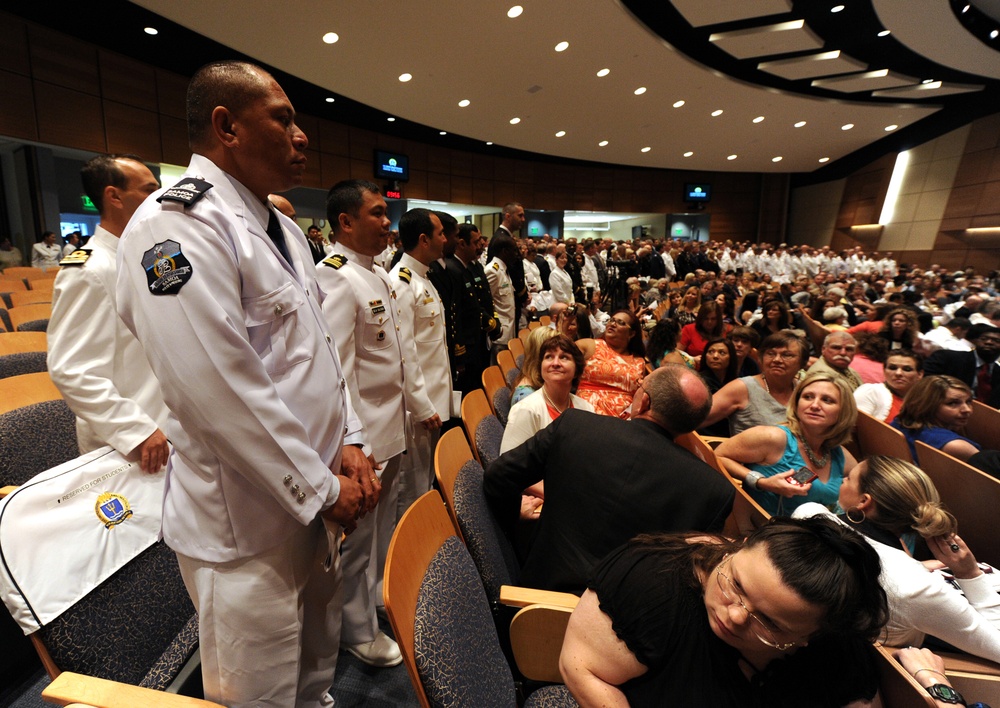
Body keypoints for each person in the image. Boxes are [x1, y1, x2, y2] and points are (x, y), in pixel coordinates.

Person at [115, 60, 369, 707]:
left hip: (313, 493)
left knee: (315, 672)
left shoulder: (281, 227)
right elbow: (215, 386)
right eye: (283, 119)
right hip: (247, 522)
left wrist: (352, 439)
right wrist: (317, 488)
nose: (301, 135)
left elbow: (320, 351)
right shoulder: (173, 226)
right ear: (226, 126)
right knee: (256, 694)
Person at [559, 517, 888, 707]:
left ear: (810, 637)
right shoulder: (654, 585)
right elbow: (583, 669)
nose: (736, 616)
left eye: (769, 621)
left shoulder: (833, 645)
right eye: (737, 586)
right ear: (740, 546)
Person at [317, 180, 441, 668]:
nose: (388, 222)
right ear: (346, 222)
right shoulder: (336, 277)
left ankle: (370, 603)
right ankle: (355, 630)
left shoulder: (379, 275)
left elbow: (402, 355)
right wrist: (353, 440)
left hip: (390, 429)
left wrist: (416, 407)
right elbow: (336, 369)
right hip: (363, 433)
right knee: (360, 540)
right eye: (376, 214)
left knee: (382, 530)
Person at [484, 364, 735, 594]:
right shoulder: (714, 491)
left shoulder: (575, 425)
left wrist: (516, 529)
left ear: (643, 402)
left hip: (536, 598)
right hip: (629, 628)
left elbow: (498, 478)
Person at [794, 456, 1000, 663]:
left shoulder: (809, 514)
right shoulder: (915, 587)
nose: (843, 480)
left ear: (864, 501)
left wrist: (916, 566)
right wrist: (970, 573)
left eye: (849, 478)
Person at [48, 154, 169, 472]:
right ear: (114, 196)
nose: (159, 198)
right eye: (148, 190)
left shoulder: (149, 256)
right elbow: (73, 370)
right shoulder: (89, 269)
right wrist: (136, 431)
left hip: (169, 425)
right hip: (133, 442)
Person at [715, 372, 858, 516]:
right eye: (807, 397)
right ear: (796, 403)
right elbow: (717, 456)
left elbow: (867, 486)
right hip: (760, 530)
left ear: (843, 412)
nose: (814, 405)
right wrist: (761, 481)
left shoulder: (839, 454)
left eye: (827, 400)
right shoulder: (773, 437)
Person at [388, 207, 453, 521]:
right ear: (424, 239)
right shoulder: (402, 283)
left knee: (425, 484)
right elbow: (405, 351)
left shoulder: (423, 277)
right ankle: (405, 559)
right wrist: (422, 405)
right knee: (411, 490)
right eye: (440, 233)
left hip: (433, 403)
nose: (445, 239)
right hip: (418, 409)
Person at [501, 334, 594, 456]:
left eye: (564, 357)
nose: (555, 363)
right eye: (549, 357)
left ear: (577, 369)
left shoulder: (585, 408)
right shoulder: (525, 410)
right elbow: (508, 466)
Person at [702, 330, 807, 437]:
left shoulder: (806, 391)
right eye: (770, 354)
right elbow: (692, 421)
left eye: (787, 355)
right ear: (760, 359)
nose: (777, 360)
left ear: (803, 363)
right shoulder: (742, 388)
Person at [891, 375, 981, 462]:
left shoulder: (899, 422)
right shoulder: (956, 446)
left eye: (968, 402)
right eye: (952, 403)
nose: (967, 410)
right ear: (927, 405)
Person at [574, 308, 646, 417]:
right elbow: (560, 354)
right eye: (611, 320)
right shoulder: (589, 345)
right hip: (588, 413)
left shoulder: (639, 361)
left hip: (624, 420)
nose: (613, 324)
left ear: (631, 334)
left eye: (620, 323)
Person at [924, 324, 1000, 408]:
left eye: (996, 340)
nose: (988, 342)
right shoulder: (947, 357)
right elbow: (927, 382)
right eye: (984, 339)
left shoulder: (997, 371)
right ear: (975, 341)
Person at [853, 350, 923, 423]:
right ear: (884, 370)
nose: (898, 373)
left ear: (920, 374)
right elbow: (857, 428)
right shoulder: (871, 391)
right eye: (892, 368)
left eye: (907, 369)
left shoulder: (924, 400)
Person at [484, 231, 518, 363]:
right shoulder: (492, 270)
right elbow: (487, 302)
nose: (516, 254)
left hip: (509, 331)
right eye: (514, 250)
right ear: (504, 251)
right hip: (500, 334)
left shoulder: (503, 270)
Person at [698, 337, 739, 437]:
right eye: (711, 352)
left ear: (731, 357)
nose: (715, 356)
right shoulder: (699, 381)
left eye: (722, 353)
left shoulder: (734, 381)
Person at [510, 326, 558, 404]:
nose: (557, 362)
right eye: (550, 356)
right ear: (540, 355)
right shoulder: (525, 397)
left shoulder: (543, 381)